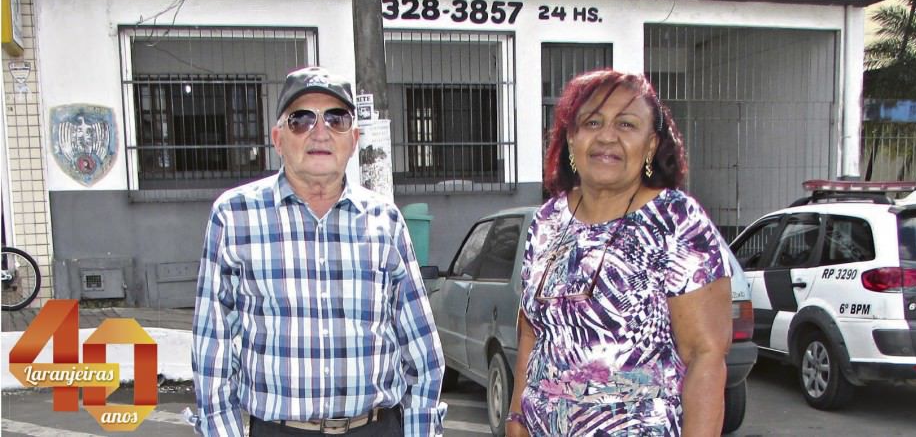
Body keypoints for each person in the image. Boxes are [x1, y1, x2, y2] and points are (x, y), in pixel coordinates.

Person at [191, 66, 446, 437]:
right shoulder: (235, 216)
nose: (320, 132)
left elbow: (422, 350)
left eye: (336, 119)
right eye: (301, 120)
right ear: (278, 138)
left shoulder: (384, 220)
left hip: (375, 427)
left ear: (353, 139)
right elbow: (211, 349)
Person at [507, 70, 733, 436]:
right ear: (570, 138)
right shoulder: (547, 220)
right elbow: (531, 332)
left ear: (651, 144)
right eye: (592, 122)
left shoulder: (676, 221)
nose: (606, 136)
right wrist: (516, 417)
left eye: (626, 124)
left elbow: (705, 357)